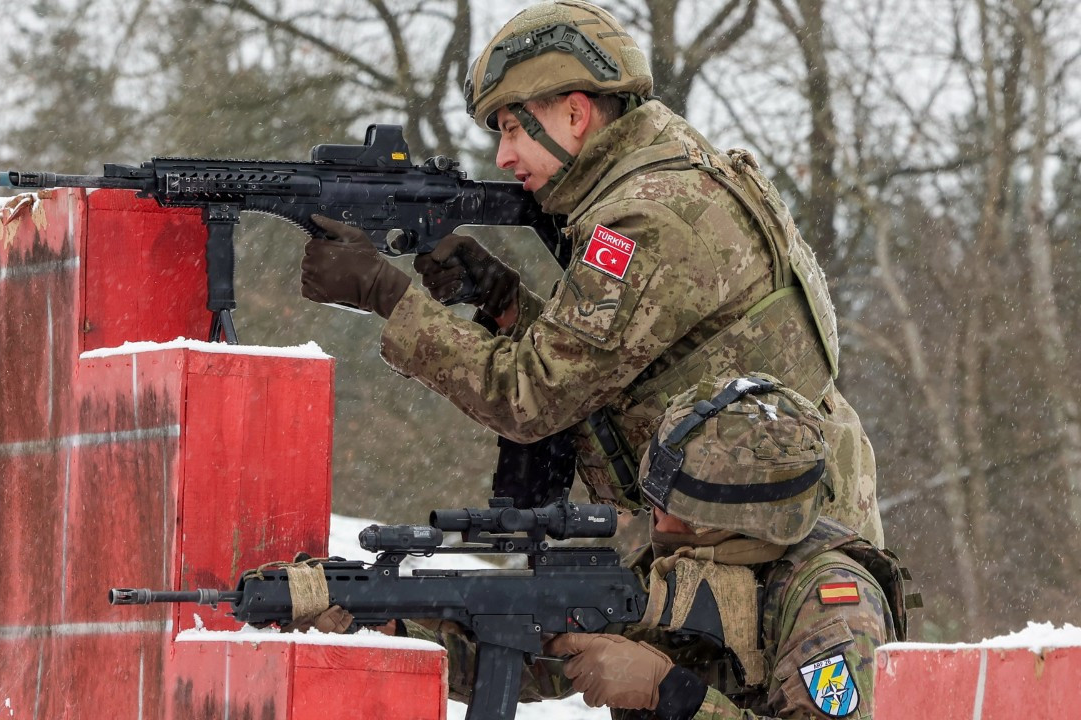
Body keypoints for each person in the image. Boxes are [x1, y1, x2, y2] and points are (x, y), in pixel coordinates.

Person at [299, 0, 883, 547]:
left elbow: (530, 397)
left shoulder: (644, 217)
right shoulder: (672, 176)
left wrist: (386, 293)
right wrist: (506, 303)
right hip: (768, 524)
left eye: (511, 129)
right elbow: (620, 361)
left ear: (575, 114)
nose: (503, 157)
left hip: (770, 546)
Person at [403, 375, 912, 719]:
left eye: (672, 501)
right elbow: (536, 664)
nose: (654, 512)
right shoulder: (681, 566)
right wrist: (400, 632)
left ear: (733, 516)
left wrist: (669, 692)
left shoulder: (832, 597)